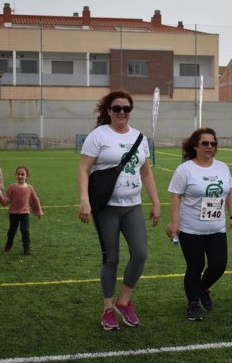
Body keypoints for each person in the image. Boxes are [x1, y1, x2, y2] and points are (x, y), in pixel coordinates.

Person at [77, 90, 161, 331]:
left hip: (132, 205)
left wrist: (155, 202)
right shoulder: (98, 135)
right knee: (111, 258)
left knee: (140, 253)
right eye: (117, 108)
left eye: (126, 108)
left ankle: (123, 302)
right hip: (106, 208)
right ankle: (107, 308)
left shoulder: (140, 138)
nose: (122, 113)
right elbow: (84, 170)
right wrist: (85, 200)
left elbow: (146, 172)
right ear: (108, 111)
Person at [166, 128, 232, 321]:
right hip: (191, 228)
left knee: (218, 266)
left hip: (216, 228)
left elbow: (230, 192)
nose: (210, 147)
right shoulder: (185, 170)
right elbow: (175, 196)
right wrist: (174, 223)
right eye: (205, 143)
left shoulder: (222, 167)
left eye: (213, 143)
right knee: (195, 266)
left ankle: (203, 288)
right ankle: (192, 303)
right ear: (195, 146)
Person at [0, 166, 43, 255]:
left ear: (27, 176)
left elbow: (34, 200)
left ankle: (27, 248)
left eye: (22, 174)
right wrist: (1, 197)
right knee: (12, 230)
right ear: (16, 175)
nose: (20, 176)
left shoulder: (29, 188)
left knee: (25, 230)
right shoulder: (12, 187)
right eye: (18, 174)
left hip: (25, 213)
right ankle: (9, 243)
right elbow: (7, 199)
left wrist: (38, 211)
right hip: (13, 213)